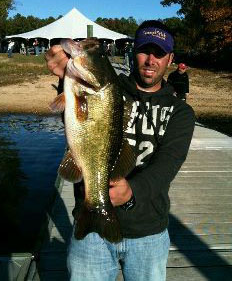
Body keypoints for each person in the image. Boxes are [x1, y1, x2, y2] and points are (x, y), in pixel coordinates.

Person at [45, 20, 195, 281]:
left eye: (159, 53)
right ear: (133, 51)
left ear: (170, 59)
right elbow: (76, 123)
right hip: (90, 233)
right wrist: (64, 81)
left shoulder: (181, 113)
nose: (150, 60)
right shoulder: (111, 87)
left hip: (148, 232)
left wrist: (132, 191)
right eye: (144, 51)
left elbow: (168, 165)